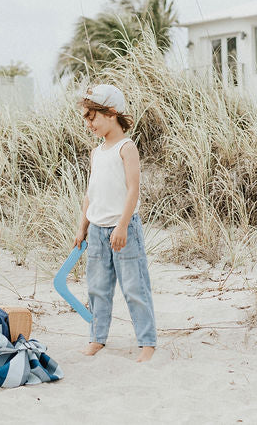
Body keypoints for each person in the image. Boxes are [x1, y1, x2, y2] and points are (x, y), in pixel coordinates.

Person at [72, 84, 157, 362]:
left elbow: (133, 189)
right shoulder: (97, 153)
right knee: (97, 288)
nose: (88, 123)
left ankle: (147, 342)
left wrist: (121, 226)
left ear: (110, 113)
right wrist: (82, 227)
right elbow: (91, 194)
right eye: (85, 118)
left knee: (134, 287)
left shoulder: (126, 147)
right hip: (96, 231)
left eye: (91, 116)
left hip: (124, 229)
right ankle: (97, 337)